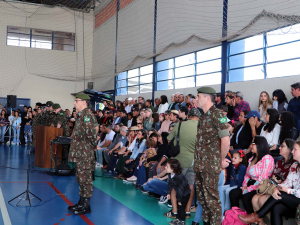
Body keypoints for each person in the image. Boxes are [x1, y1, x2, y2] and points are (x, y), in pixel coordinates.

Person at [238, 140, 300, 225]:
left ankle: (257, 216)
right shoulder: (295, 165)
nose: (292, 151)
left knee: (279, 194)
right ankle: (257, 216)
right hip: (293, 199)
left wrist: (287, 191)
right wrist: (276, 188)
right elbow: (287, 182)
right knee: (276, 207)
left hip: (297, 199)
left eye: (295, 149)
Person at [194, 87, 231, 225]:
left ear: (207, 98)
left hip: (210, 165)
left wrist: (220, 160)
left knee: (212, 201)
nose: (196, 99)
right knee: (203, 200)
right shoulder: (203, 116)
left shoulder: (218, 115)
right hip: (199, 165)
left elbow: (226, 141)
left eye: (198, 97)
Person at [166, 108, 200, 219]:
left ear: (189, 116)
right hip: (194, 161)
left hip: (179, 160)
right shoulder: (201, 128)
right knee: (190, 186)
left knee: (175, 187)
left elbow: (168, 139)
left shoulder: (180, 125)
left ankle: (175, 211)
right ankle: (187, 212)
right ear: (198, 117)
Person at [68, 93, 98, 215]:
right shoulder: (81, 116)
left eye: (76, 101)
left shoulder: (87, 115)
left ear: (84, 102)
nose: (74, 103)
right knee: (80, 178)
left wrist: (92, 146)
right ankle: (81, 202)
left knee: (85, 179)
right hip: (80, 153)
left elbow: (92, 134)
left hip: (84, 154)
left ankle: (86, 206)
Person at [229, 136, 274, 214]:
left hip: (260, 186)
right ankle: (236, 217)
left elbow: (263, 178)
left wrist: (249, 189)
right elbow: (247, 175)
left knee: (246, 197)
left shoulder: (267, 158)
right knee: (233, 193)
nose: (250, 146)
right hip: (250, 184)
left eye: (253, 143)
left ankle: (250, 219)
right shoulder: (252, 158)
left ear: (260, 145)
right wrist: (244, 185)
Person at [251, 138, 295, 218]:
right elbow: (272, 176)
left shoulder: (293, 164)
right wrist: (274, 180)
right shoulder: (279, 161)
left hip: (284, 191)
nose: (279, 148)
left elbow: (291, 184)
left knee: (261, 200)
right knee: (254, 199)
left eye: (282, 146)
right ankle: (261, 223)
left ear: (289, 149)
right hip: (273, 187)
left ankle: (269, 221)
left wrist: (280, 182)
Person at [219, 150, 247, 214]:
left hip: (238, 185)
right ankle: (222, 207)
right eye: (232, 157)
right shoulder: (232, 166)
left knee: (227, 190)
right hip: (233, 184)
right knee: (223, 189)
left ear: (240, 160)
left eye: (235, 158)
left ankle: (227, 208)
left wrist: (236, 187)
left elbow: (240, 181)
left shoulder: (242, 167)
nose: (233, 159)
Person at [166, 159, 191, 225]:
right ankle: (177, 219)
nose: (165, 167)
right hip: (179, 193)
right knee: (178, 207)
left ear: (173, 168)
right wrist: (168, 193)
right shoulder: (171, 175)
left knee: (181, 207)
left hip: (184, 194)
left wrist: (179, 200)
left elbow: (181, 189)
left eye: (167, 166)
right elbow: (170, 185)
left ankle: (182, 221)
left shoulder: (180, 177)